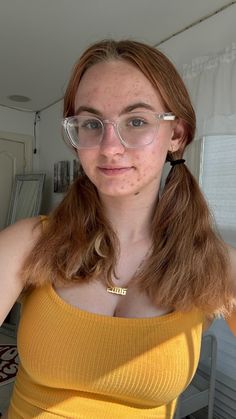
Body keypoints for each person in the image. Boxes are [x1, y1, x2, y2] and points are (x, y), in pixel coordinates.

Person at [0, 39, 236, 419]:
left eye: (137, 121)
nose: (109, 147)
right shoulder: (30, 242)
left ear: (176, 135)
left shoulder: (216, 264)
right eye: (92, 124)